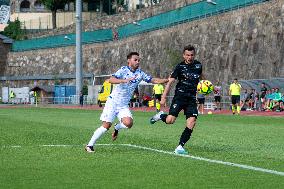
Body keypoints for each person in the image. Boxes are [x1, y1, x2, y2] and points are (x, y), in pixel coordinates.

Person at [85, 52, 168, 153]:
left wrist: (166, 80)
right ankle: (90, 145)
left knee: (129, 123)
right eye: (135, 60)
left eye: (138, 60)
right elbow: (111, 79)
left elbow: (152, 80)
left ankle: (117, 127)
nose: (138, 62)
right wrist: (123, 81)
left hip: (123, 105)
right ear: (129, 61)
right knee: (106, 126)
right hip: (112, 102)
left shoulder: (140, 73)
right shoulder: (123, 70)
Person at [149, 45, 204, 155]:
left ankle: (180, 146)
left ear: (194, 55)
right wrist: (163, 97)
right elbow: (170, 82)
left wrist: (208, 85)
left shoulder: (198, 65)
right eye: (187, 55)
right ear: (184, 55)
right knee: (170, 120)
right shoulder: (179, 67)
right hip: (179, 98)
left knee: (192, 122)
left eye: (192, 55)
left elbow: (201, 77)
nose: (190, 57)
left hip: (192, 99)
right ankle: (160, 116)